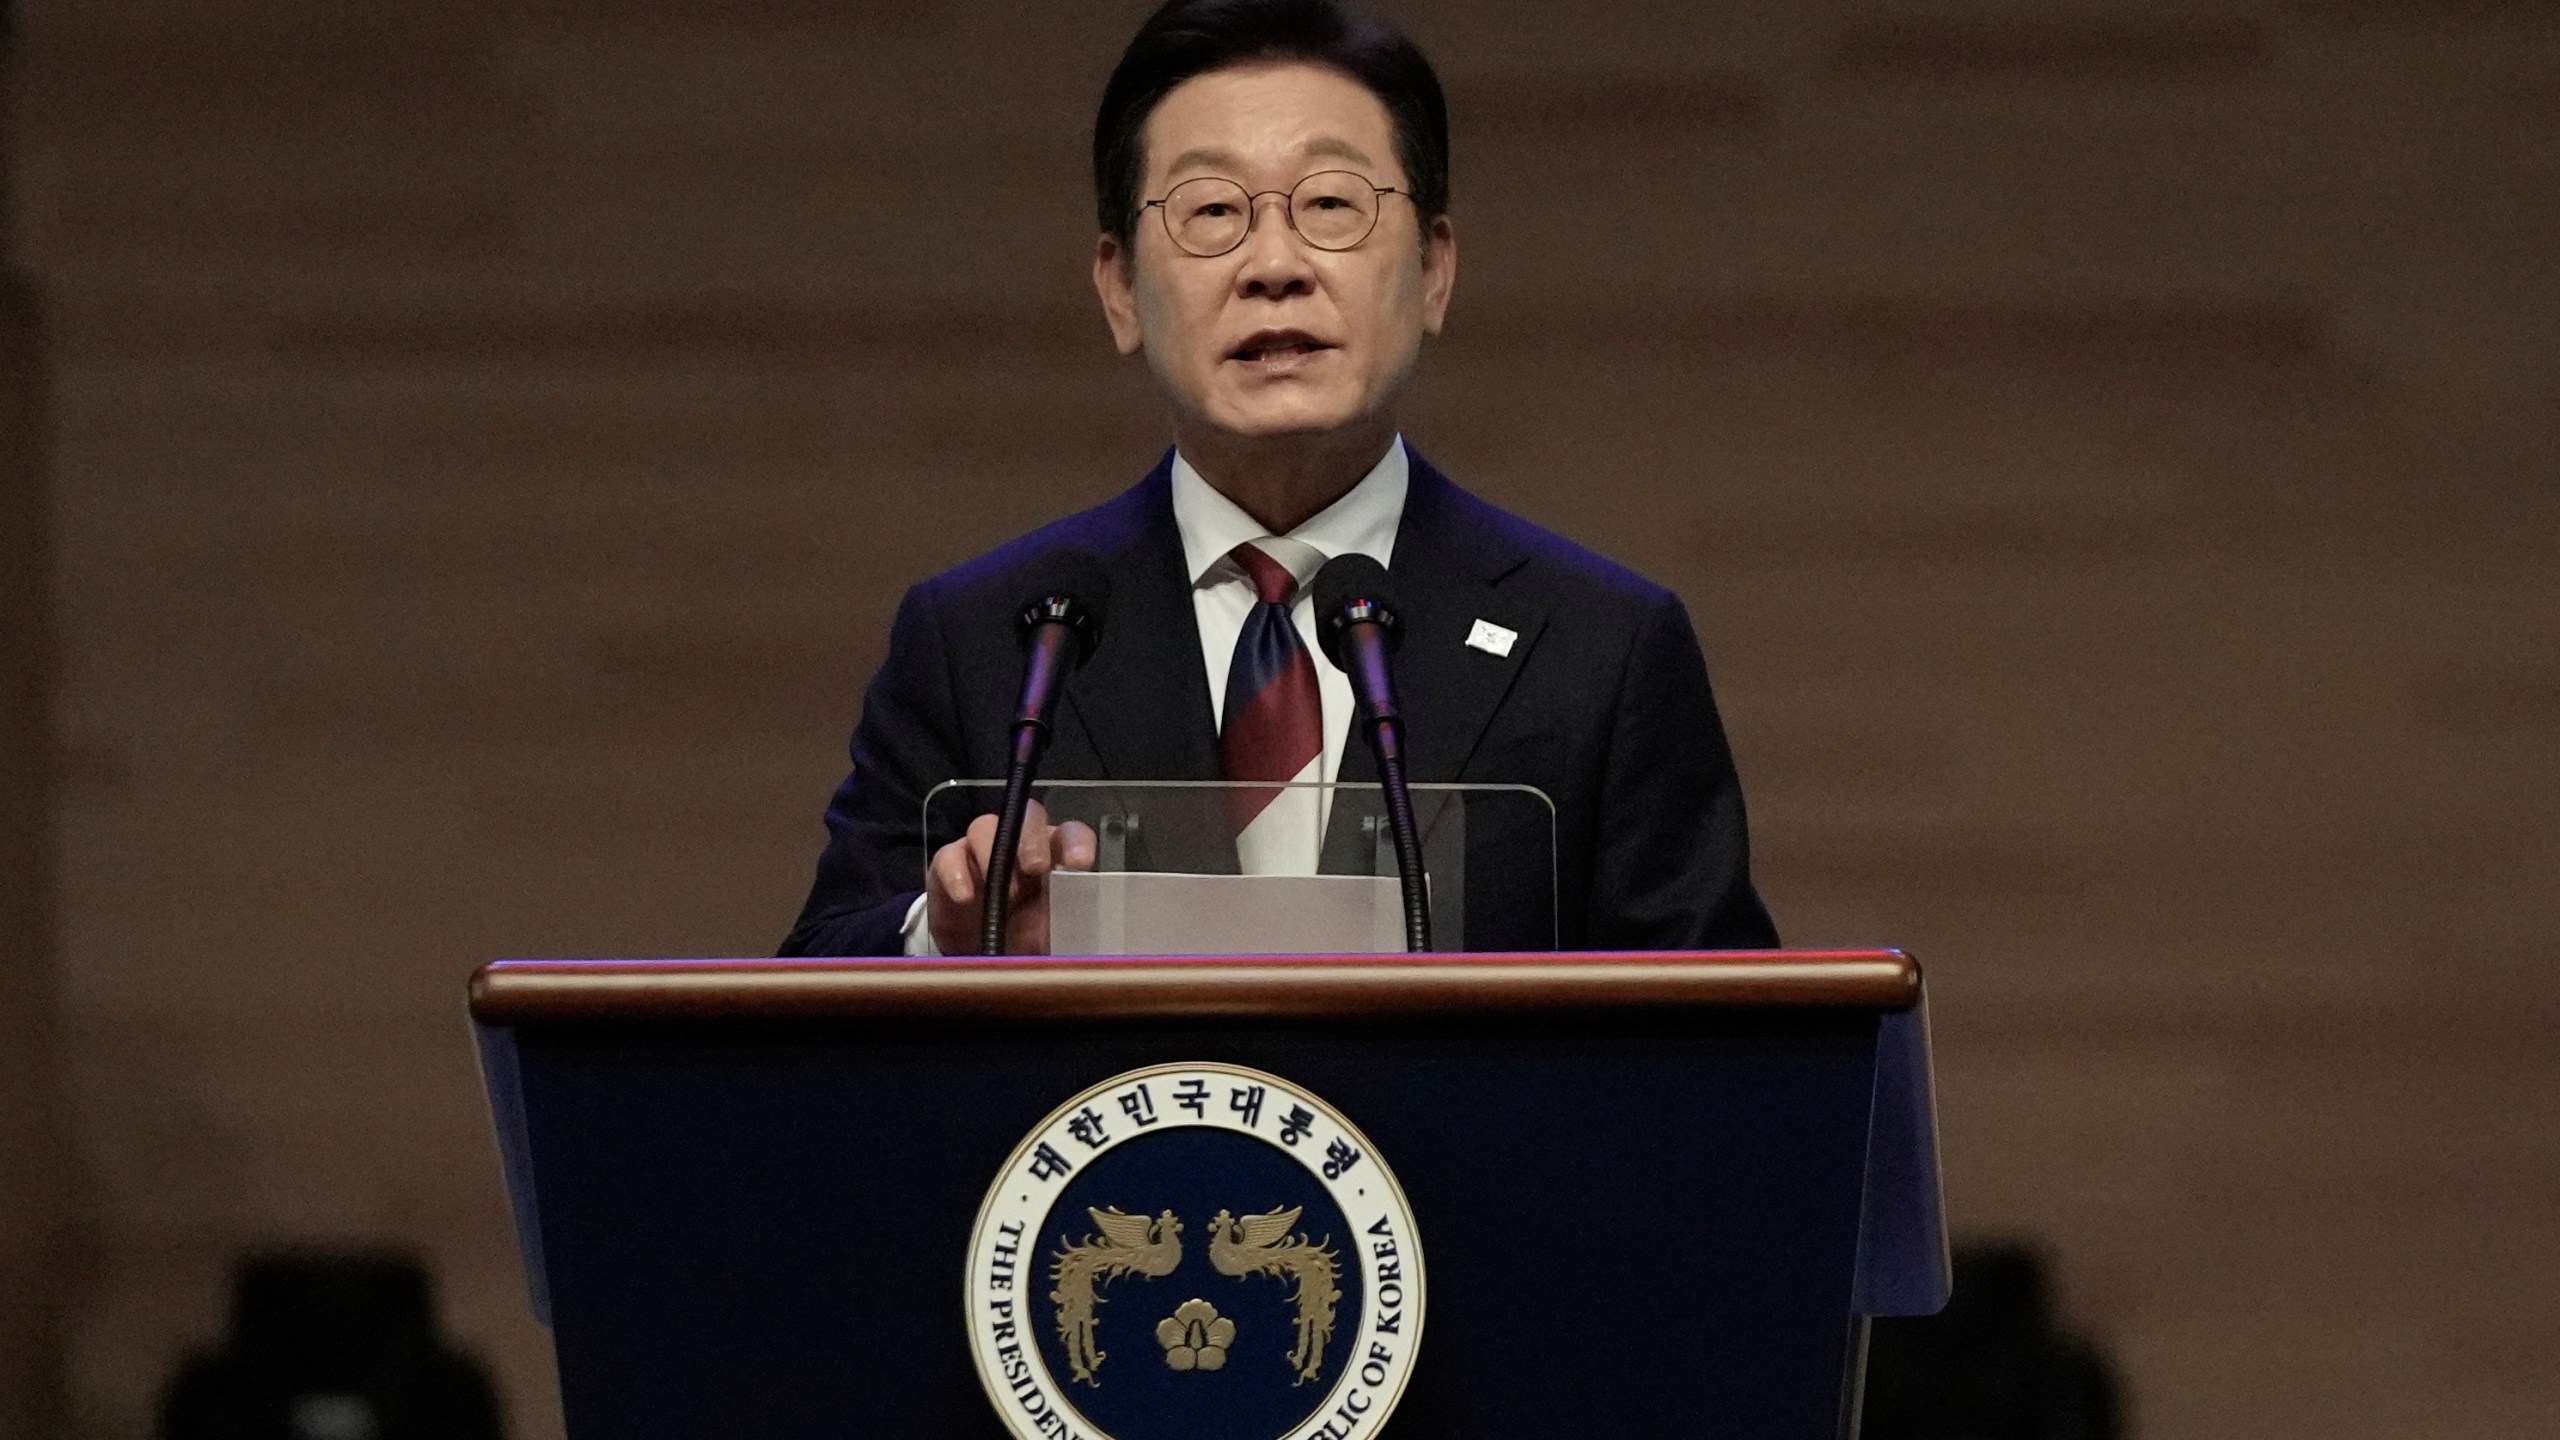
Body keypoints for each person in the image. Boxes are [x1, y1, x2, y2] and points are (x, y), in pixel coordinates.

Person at [782, 0, 1776, 957]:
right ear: (1120, 288)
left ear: (1434, 272)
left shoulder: (1601, 649)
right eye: (1212, 210)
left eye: (1331, 205)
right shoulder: (983, 642)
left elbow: (1729, 1061)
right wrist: (949, 933)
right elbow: (810, 996)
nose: (1274, 265)